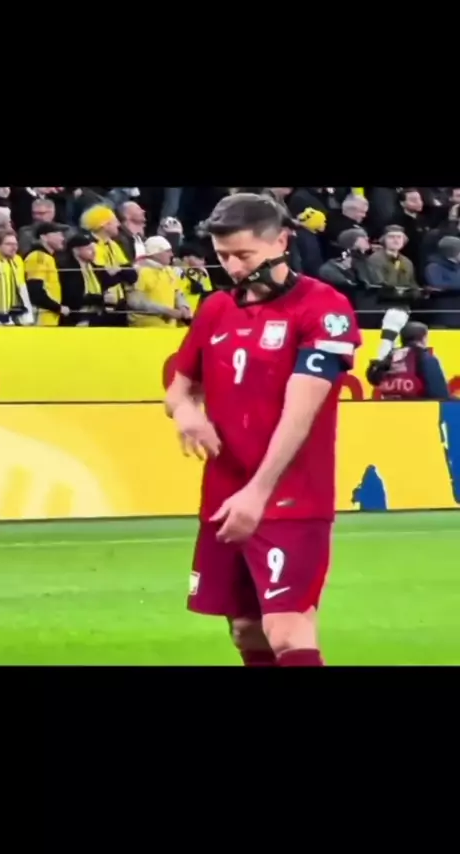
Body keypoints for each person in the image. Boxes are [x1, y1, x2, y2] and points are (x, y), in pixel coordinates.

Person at [165, 193, 361, 667]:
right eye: (223, 255)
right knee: (246, 629)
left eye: (244, 255)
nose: (233, 267)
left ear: (281, 242)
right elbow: (179, 387)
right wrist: (186, 412)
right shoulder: (216, 308)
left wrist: (258, 492)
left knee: (287, 627)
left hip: (291, 496)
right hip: (224, 492)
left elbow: (302, 410)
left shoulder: (324, 307)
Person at [366, 310, 449, 399]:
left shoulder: (389, 357)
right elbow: (439, 394)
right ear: (423, 338)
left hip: (389, 404)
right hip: (420, 405)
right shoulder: (425, 358)